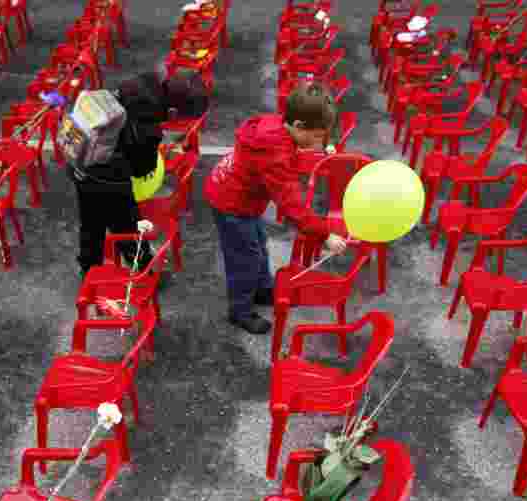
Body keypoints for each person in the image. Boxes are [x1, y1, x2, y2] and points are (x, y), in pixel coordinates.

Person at [205, 82, 348, 334]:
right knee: (245, 259)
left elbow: (289, 155)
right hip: (232, 205)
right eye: (316, 137)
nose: (318, 143)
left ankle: (261, 290)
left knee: (258, 245)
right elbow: (291, 203)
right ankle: (240, 310)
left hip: (242, 200)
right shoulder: (274, 154)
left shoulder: (278, 126)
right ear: (299, 126)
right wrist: (324, 233)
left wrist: (320, 150)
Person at [69, 71, 208, 277]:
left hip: (80, 155)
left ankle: (88, 268)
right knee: (127, 226)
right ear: (172, 111)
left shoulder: (143, 82)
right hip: (107, 176)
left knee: (91, 221)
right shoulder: (147, 128)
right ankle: (146, 273)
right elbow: (142, 170)